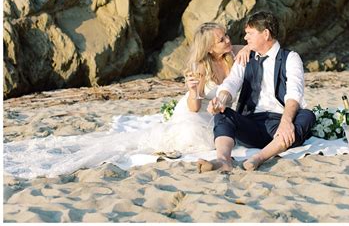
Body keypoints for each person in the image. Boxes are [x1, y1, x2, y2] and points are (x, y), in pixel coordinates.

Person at [3, 22, 250, 179]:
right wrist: (194, 89)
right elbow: (194, 107)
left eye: (227, 35)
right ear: (208, 48)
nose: (228, 40)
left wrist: (248, 49)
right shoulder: (199, 66)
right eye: (222, 39)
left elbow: (257, 48)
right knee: (192, 134)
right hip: (196, 111)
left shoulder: (234, 53)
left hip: (220, 111)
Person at [198, 11, 315, 173]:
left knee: (307, 115)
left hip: (279, 125)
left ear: (265, 34)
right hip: (250, 124)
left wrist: (286, 122)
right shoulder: (245, 57)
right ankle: (224, 160)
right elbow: (231, 83)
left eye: (250, 33)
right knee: (223, 113)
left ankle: (258, 158)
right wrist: (221, 100)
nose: (245, 38)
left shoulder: (291, 58)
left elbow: (295, 93)